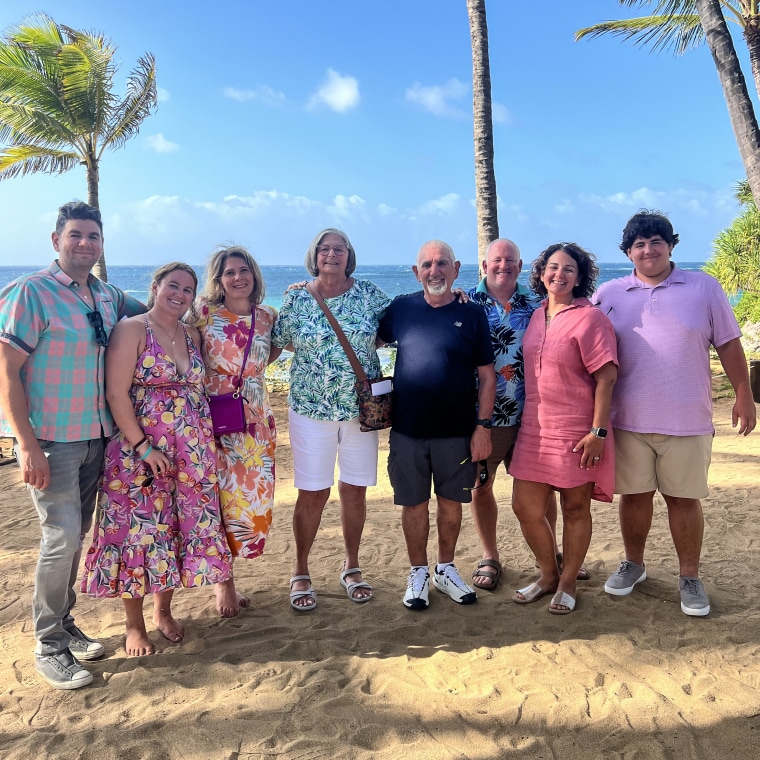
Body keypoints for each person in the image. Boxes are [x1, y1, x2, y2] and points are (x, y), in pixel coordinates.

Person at [0, 201, 145, 689]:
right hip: (51, 442)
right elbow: (7, 372)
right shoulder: (30, 293)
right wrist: (25, 443)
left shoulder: (107, 296)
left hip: (97, 439)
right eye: (76, 235)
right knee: (60, 540)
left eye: (93, 237)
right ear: (56, 239)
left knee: (75, 535)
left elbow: (169, 304)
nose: (85, 244)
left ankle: (63, 624)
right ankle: (49, 645)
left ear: (103, 244)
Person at [593, 210, 756, 617]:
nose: (648, 250)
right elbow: (580, 338)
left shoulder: (704, 287)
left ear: (671, 245)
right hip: (627, 419)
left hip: (687, 419)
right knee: (634, 497)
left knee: (683, 500)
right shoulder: (609, 294)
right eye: (639, 244)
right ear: (628, 252)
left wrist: (744, 394)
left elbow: (729, 344)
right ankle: (634, 564)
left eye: (656, 242)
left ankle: (690, 576)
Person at [81, 263, 232, 655]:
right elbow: (116, 394)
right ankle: (134, 625)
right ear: (155, 287)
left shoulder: (192, 334)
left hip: (190, 453)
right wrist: (144, 448)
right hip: (138, 455)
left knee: (171, 531)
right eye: (172, 285)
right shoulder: (132, 329)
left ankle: (163, 611)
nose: (179, 294)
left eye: (187, 288)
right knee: (136, 532)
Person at [271, 228, 390, 611]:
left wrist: (453, 296)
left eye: (340, 249)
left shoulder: (371, 295)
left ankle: (352, 566)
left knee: (354, 490)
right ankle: (300, 570)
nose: (332, 254)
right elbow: (279, 341)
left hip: (360, 411)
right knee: (313, 492)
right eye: (325, 249)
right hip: (310, 411)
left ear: (349, 255)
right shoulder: (295, 298)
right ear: (315, 255)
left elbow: (405, 320)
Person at [377, 240, 495, 610]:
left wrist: (483, 427)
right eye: (427, 265)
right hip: (407, 431)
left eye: (442, 263)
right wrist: (312, 287)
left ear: (456, 268)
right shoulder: (401, 309)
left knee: (451, 504)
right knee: (413, 504)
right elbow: (362, 333)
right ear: (416, 272)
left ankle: (445, 569)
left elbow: (488, 378)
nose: (434, 271)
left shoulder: (472, 314)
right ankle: (418, 573)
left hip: (457, 431)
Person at [466, 239, 589, 591]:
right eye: (496, 260)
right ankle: (490, 555)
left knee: (543, 492)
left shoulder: (539, 304)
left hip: (535, 417)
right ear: (484, 267)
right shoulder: (465, 304)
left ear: (520, 267)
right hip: (485, 418)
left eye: (510, 260)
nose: (503, 265)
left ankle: (548, 559)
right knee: (481, 487)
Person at [509, 243, 618, 615]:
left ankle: (568, 581)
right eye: (553, 267)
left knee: (574, 509)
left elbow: (606, 377)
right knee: (525, 507)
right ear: (540, 274)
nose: (559, 274)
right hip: (534, 430)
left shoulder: (591, 318)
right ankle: (548, 574)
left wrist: (598, 432)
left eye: (569, 269)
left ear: (580, 277)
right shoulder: (536, 315)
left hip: (578, 431)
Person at [196, 245, 281, 618]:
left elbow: (270, 352)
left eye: (243, 270)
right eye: (229, 272)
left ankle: (230, 570)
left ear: (254, 274)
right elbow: (159, 322)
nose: (237, 277)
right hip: (215, 419)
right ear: (218, 280)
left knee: (249, 503)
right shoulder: (201, 314)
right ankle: (223, 582)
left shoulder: (267, 316)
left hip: (256, 422)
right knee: (216, 498)